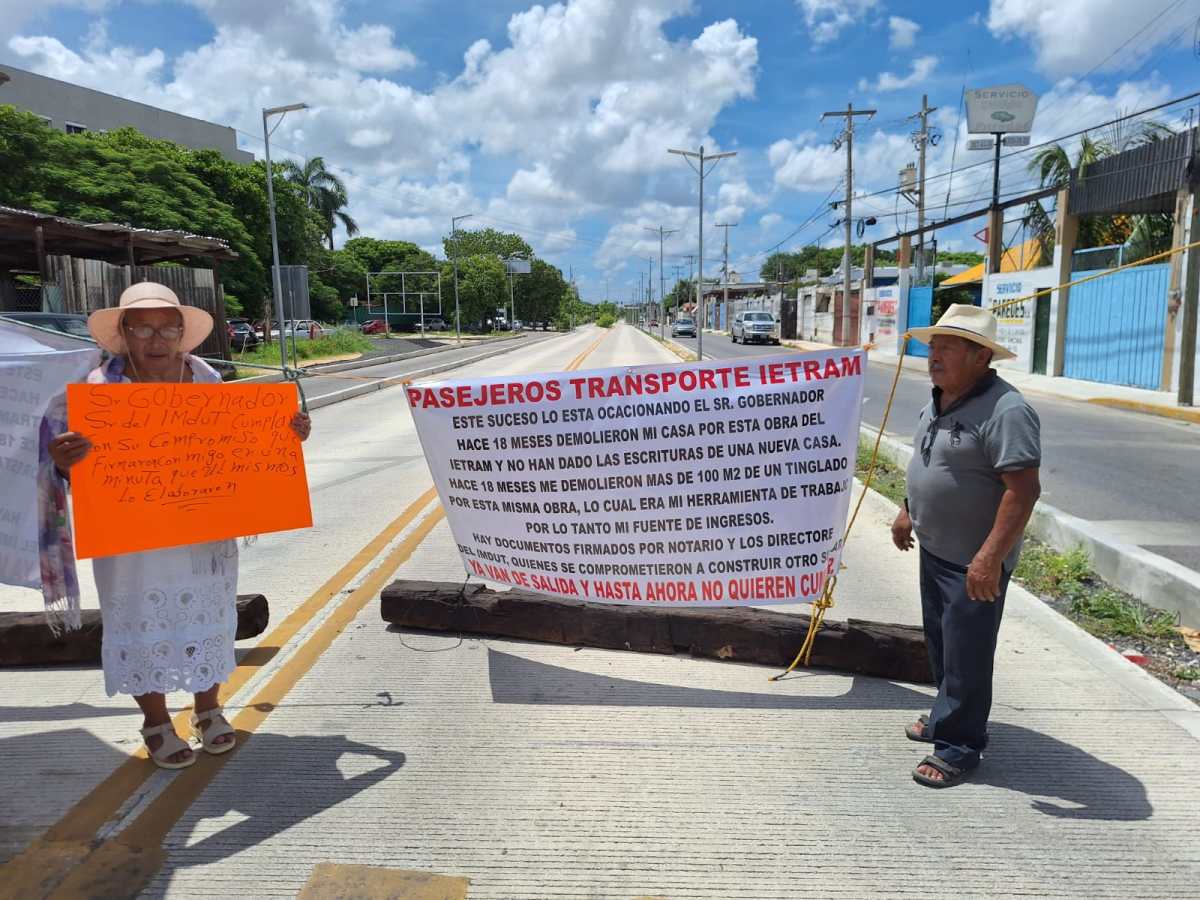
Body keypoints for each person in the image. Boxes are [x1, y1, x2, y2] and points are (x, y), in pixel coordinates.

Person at [47, 282, 312, 769]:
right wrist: (65, 460)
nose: (156, 338)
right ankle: (156, 722)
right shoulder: (95, 395)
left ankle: (208, 709)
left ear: (182, 334)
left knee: (208, 615)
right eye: (142, 327)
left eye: (167, 327)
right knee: (137, 619)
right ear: (124, 333)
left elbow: (243, 452)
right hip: (131, 541)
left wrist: (287, 433)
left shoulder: (211, 384)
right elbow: (67, 473)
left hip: (202, 533)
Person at [890, 304, 1041, 788]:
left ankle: (960, 745)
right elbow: (927, 460)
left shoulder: (1006, 409)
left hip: (973, 561)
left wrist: (989, 558)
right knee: (943, 645)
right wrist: (907, 510)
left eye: (946, 347)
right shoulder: (938, 398)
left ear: (979, 356)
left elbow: (1023, 489)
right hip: (936, 550)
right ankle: (946, 714)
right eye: (932, 347)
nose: (932, 355)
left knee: (969, 653)